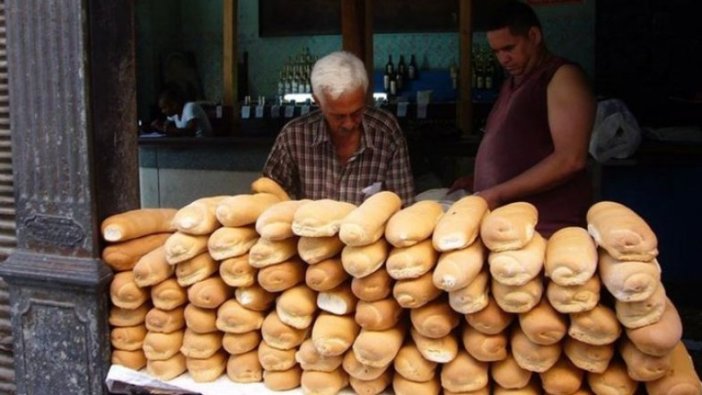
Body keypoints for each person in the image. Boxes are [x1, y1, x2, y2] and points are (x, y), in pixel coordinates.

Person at [450, 0, 595, 237]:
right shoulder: (513, 82)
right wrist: (478, 179)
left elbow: (571, 159)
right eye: (496, 52)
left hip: (548, 227)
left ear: (534, 36)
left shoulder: (562, 77)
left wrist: (497, 192)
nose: (502, 59)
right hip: (510, 227)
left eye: (509, 48)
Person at [262, 51, 415, 206]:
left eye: (356, 112)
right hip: (309, 227)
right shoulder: (294, 136)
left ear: (364, 96)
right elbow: (268, 195)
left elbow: (403, 203)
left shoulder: (385, 132)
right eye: (338, 116)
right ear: (317, 102)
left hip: (367, 230)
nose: (349, 124)